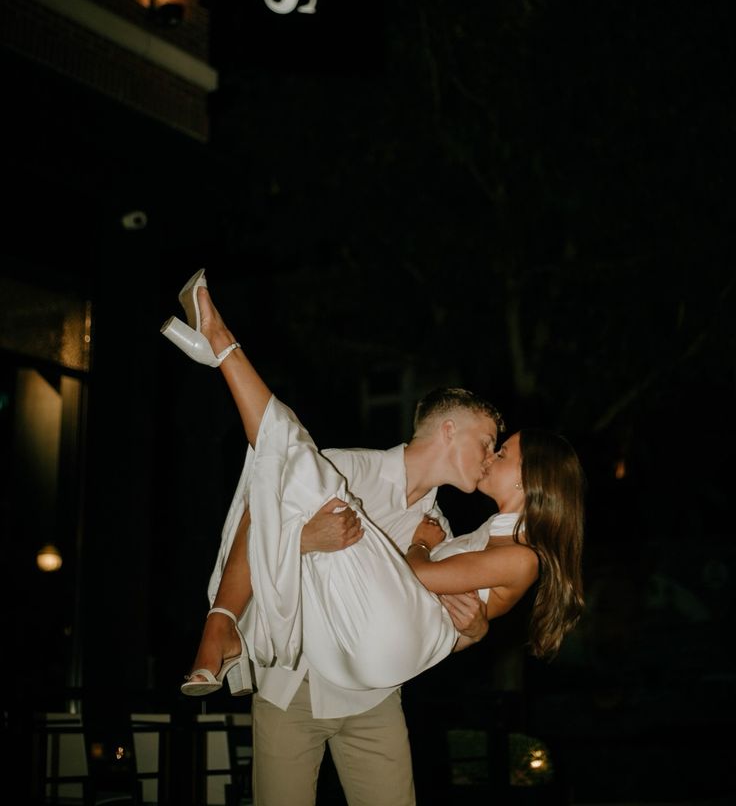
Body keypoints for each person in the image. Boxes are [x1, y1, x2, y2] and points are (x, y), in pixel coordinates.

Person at [161, 269, 585, 806]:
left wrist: (476, 631)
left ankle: (223, 350)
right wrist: (301, 542)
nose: (490, 455)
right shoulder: (347, 472)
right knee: (280, 482)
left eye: (501, 450)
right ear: (449, 431)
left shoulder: (441, 530)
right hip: (296, 682)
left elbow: (435, 600)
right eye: (489, 442)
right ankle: (219, 624)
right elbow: (261, 521)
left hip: (375, 698)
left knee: (287, 468)